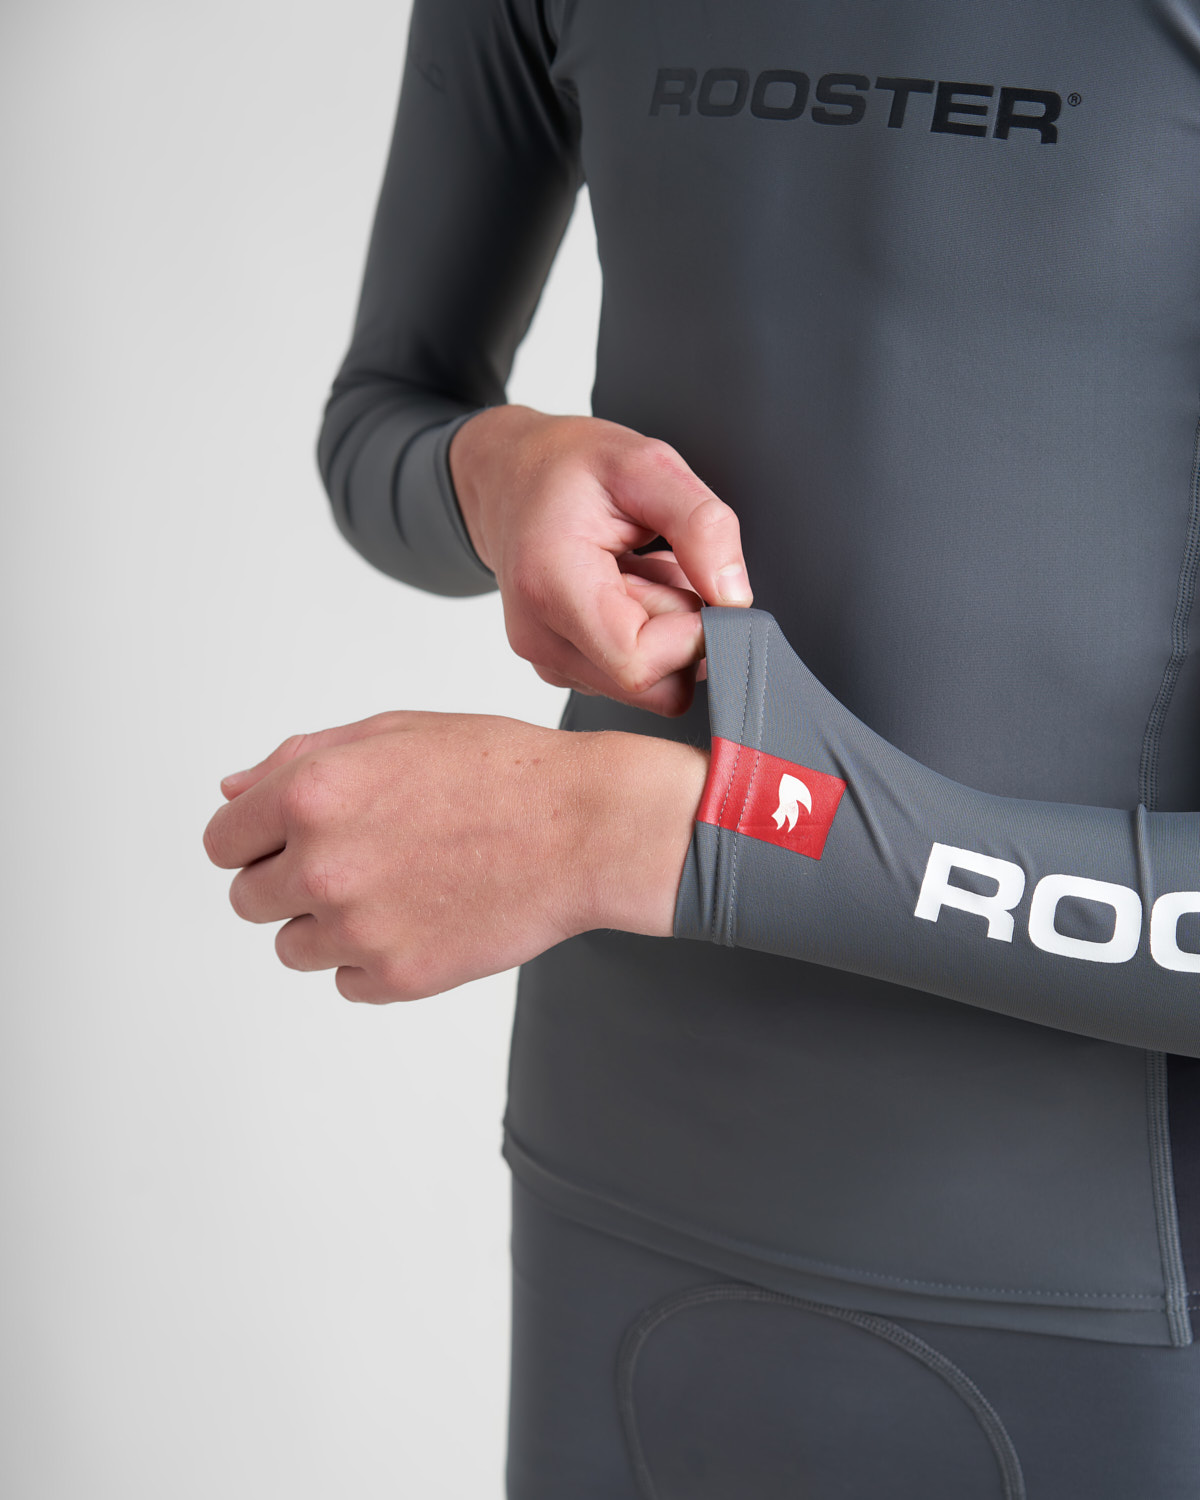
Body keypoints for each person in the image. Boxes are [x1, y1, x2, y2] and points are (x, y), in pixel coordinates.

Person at [204, 1, 1200, 1493]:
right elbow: (382, 417)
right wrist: (499, 469)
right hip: (617, 1197)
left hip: (1104, 1292)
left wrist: (645, 833)